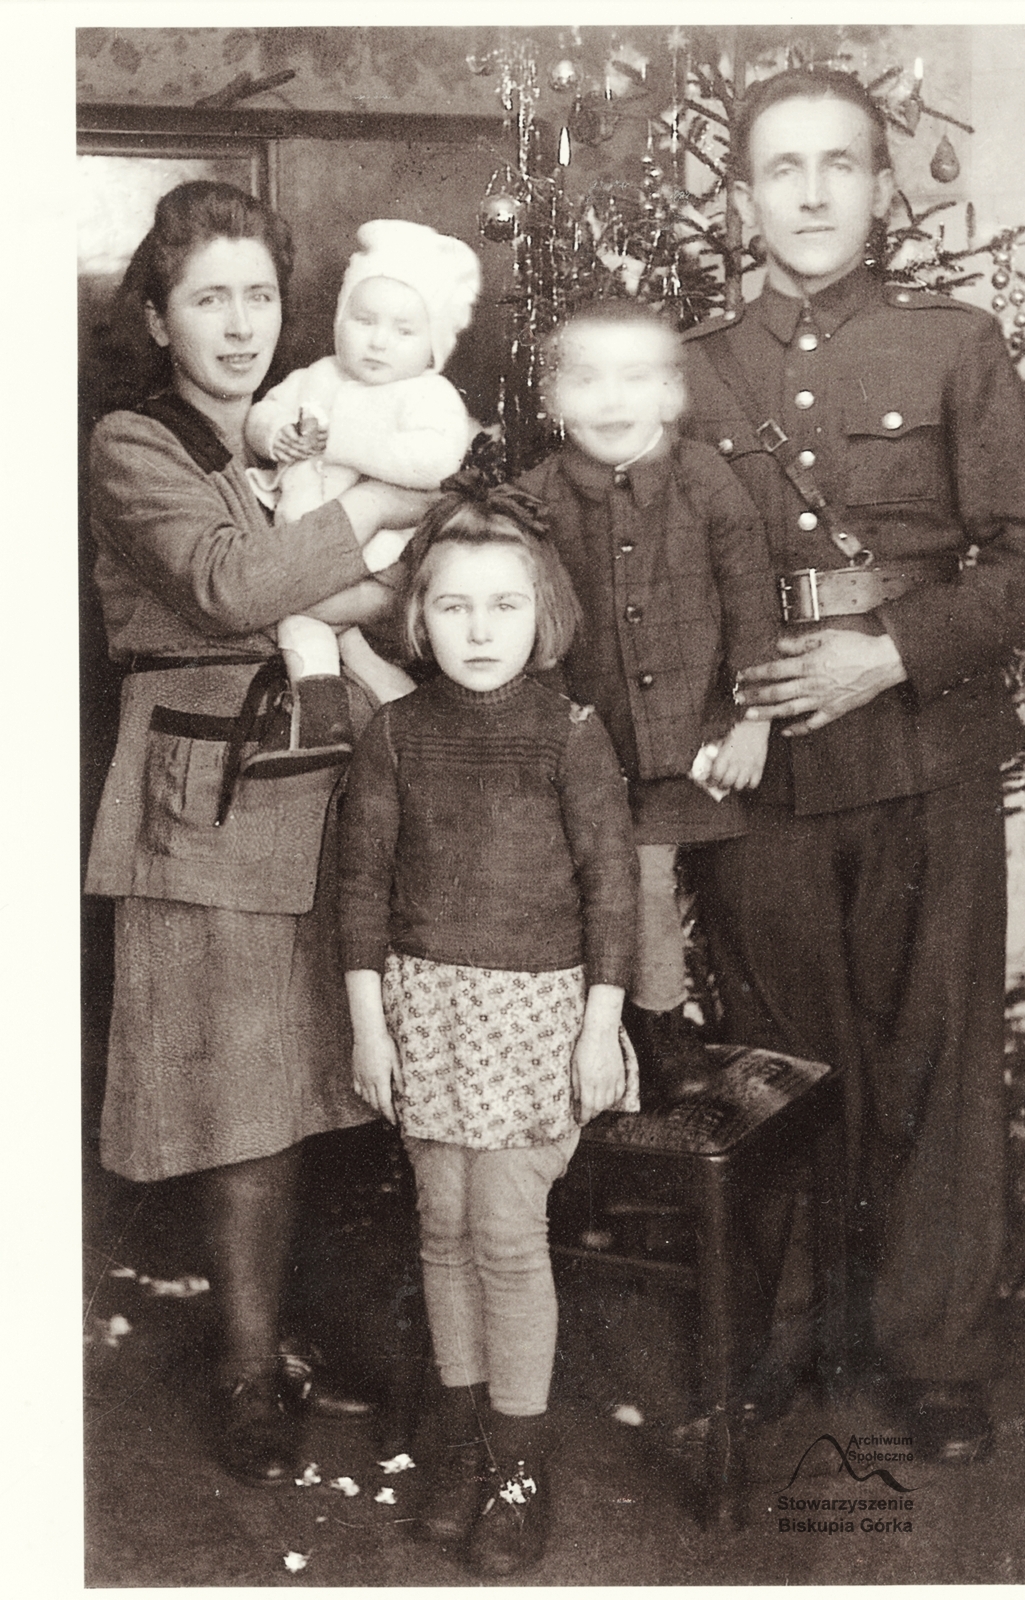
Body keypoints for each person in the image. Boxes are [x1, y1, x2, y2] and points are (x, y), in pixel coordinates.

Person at [682, 68, 1025, 1460]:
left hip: (923, 750)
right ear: (742, 199)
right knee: (775, 1057)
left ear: (880, 186)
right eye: (781, 168)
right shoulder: (689, 369)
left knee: (937, 1055)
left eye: (838, 163)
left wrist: (890, 652)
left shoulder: (952, 345)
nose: (811, 192)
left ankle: (933, 1354)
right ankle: (790, 1336)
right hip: (763, 761)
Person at [83, 180, 438, 1487]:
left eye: (260, 297)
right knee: (241, 1105)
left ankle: (304, 1334)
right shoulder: (136, 443)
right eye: (208, 300)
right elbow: (232, 583)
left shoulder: (315, 418)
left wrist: (359, 570)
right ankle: (244, 1366)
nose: (240, 325)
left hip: (339, 774)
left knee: (332, 1083)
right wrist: (378, 514)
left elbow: (406, 598)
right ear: (159, 318)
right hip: (211, 795)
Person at [338, 484, 639, 1576]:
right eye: (453, 606)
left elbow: (612, 892)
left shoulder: (571, 734)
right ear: (419, 619)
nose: (478, 630)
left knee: (507, 1238)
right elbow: (362, 889)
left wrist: (599, 1030)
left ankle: (519, 1469)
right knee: (442, 1228)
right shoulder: (395, 734)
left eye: (503, 606)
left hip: (536, 1017)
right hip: (424, 1012)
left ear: (541, 613)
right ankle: (464, 1449)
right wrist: (370, 1030)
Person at [519, 301, 778, 1104]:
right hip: (594, 750)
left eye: (634, 378)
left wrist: (753, 721)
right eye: (585, 379)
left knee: (675, 887)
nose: (610, 399)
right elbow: (530, 628)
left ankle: (671, 1023)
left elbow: (750, 603)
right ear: (552, 398)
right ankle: (652, 1030)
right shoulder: (533, 501)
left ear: (670, 393)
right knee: (632, 887)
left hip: (697, 743)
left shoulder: (704, 479)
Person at [243, 219, 481, 773]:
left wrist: (341, 442)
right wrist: (274, 434)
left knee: (316, 615)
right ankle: (321, 711)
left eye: (403, 330)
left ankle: (388, 704)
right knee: (303, 626)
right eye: (363, 319)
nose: (377, 341)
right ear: (340, 319)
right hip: (298, 541)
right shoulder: (317, 376)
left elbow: (435, 459)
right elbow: (263, 411)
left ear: (432, 346)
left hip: (378, 554)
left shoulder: (427, 393)